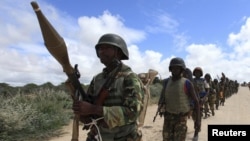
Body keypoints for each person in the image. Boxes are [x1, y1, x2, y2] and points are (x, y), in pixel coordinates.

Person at [72, 33, 145, 141]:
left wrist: (93, 109)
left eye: (107, 48)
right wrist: (82, 111)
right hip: (98, 135)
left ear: (119, 52)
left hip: (123, 137)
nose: (102, 51)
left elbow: (133, 112)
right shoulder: (97, 79)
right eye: (100, 48)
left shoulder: (129, 78)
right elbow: (89, 105)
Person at [158, 57, 200, 141]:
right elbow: (162, 97)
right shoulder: (166, 82)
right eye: (173, 68)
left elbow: (196, 102)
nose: (175, 70)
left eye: (177, 68)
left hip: (181, 119)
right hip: (168, 118)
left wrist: (198, 121)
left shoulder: (187, 83)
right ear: (170, 69)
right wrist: (160, 107)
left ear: (182, 69)